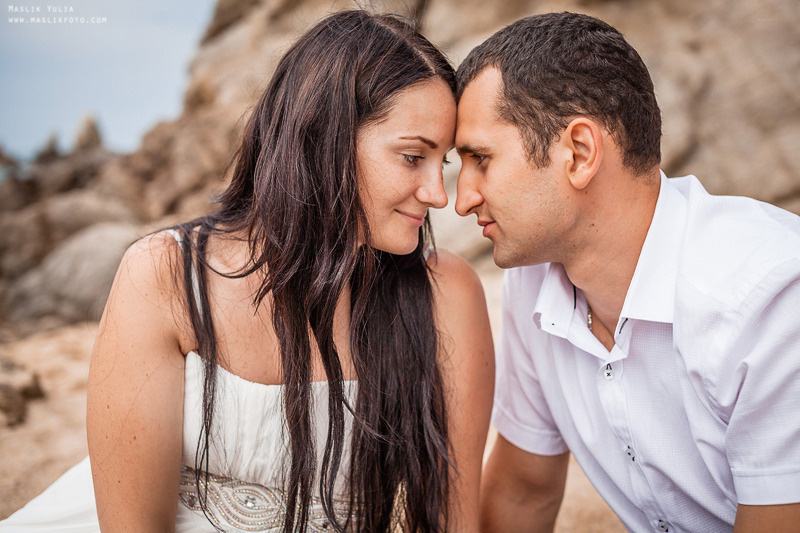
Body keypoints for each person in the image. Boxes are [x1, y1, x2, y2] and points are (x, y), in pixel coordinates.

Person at [1, 10, 494, 532]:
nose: (439, 196)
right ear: (324, 137)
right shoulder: (167, 276)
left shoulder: (445, 294)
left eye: (440, 163)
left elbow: (451, 522)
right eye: (412, 157)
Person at [454, 11, 800, 533]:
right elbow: (522, 493)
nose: (462, 199)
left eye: (481, 158)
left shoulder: (767, 296)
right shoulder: (533, 285)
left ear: (579, 152)